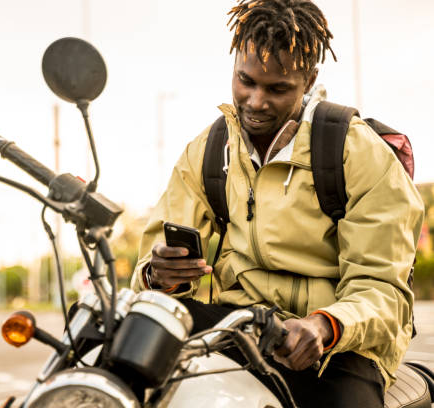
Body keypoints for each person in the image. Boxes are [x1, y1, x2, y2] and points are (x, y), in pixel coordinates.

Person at [129, 0, 424, 406]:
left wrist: (324, 325)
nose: (254, 101)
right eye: (245, 80)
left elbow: (383, 289)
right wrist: (160, 275)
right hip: (239, 325)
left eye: (277, 88)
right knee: (119, 343)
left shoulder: (358, 153)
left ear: (309, 79)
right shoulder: (209, 149)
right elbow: (152, 262)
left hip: (337, 345)